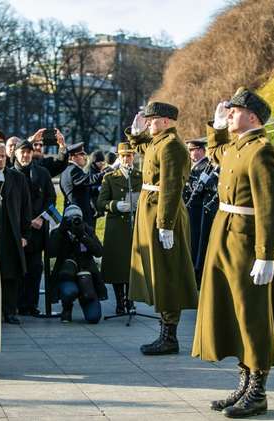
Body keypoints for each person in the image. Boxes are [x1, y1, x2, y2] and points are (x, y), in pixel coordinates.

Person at [192, 87, 274, 418]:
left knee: (253, 316)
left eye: (233, 111)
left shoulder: (262, 151)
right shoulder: (237, 148)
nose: (229, 114)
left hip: (247, 246)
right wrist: (216, 126)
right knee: (234, 315)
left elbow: (272, 208)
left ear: (253, 116)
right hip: (225, 241)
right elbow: (218, 153)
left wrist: (266, 255)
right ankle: (244, 385)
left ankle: (258, 391)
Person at [126, 101, 198, 356]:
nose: (148, 123)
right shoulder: (160, 142)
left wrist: (165, 224)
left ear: (166, 121)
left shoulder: (172, 147)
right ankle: (165, 331)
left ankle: (170, 336)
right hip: (152, 211)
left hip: (162, 214)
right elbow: (144, 147)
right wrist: (134, 135)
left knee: (167, 272)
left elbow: (171, 187)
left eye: (152, 119)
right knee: (158, 271)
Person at [0, 141, 32, 325]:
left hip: (11, 233)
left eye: (3, 156)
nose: (0, 160)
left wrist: (25, 235)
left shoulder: (17, 177)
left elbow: (25, 208)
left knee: (11, 274)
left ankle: (10, 311)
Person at [96, 142, 142, 314]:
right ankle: (119, 302)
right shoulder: (109, 177)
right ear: (118, 157)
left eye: (129, 155)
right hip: (116, 227)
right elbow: (100, 203)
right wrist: (115, 205)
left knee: (132, 265)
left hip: (134, 225)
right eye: (123, 156)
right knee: (117, 266)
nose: (126, 159)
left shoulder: (139, 176)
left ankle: (130, 300)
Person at [13, 138, 56, 316]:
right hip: (18, 231)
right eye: (22, 152)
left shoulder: (42, 173)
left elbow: (51, 199)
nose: (25, 155)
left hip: (38, 229)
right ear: (15, 154)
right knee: (17, 269)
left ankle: (32, 305)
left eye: (28, 152)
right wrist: (24, 221)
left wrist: (41, 218)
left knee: (35, 269)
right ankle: (16, 305)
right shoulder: (11, 173)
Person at [48, 205, 107, 323]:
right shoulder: (59, 231)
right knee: (69, 291)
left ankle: (86, 300)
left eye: (77, 218)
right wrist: (61, 231)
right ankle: (67, 308)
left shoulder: (87, 230)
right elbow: (50, 252)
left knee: (94, 318)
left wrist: (83, 235)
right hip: (67, 274)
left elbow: (99, 252)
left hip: (86, 277)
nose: (74, 222)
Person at [182, 138, 218, 288]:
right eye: (190, 150)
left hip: (199, 212)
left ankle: (197, 275)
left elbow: (204, 189)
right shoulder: (192, 166)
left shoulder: (207, 166)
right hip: (189, 210)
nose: (192, 153)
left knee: (198, 244)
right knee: (191, 243)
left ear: (202, 150)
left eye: (195, 149)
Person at [60, 143, 111, 228]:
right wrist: (105, 173)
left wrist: (99, 189)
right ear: (73, 157)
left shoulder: (68, 170)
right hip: (79, 216)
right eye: (81, 154)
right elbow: (89, 179)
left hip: (77, 214)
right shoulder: (72, 170)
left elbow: (84, 189)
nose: (84, 157)